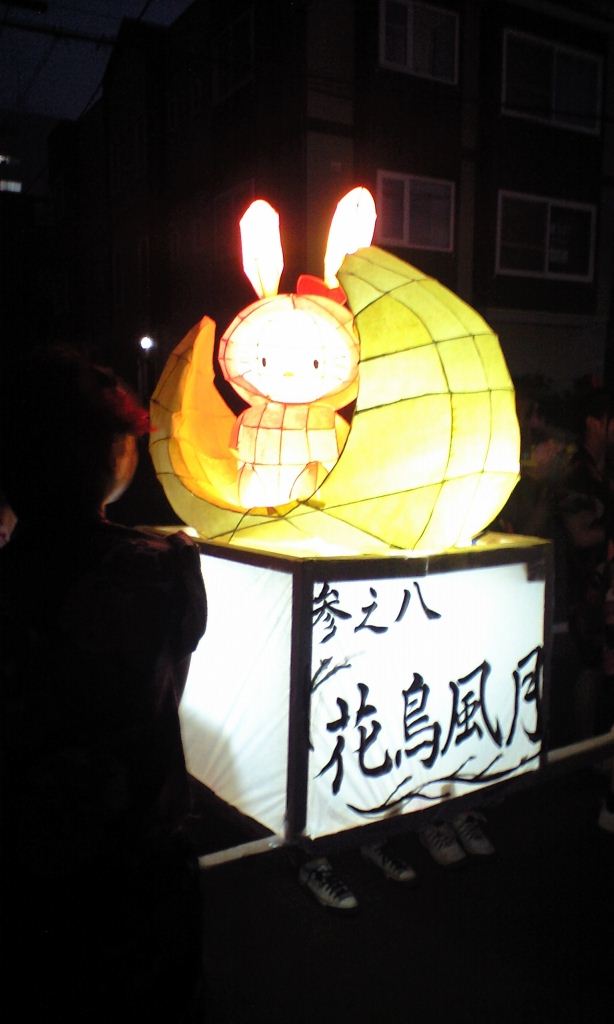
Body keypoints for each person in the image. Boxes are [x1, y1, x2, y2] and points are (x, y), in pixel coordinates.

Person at [0, 347, 208, 1022]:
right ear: (115, 455)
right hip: (139, 848)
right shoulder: (163, 567)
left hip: (29, 862)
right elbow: (174, 668)